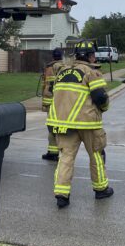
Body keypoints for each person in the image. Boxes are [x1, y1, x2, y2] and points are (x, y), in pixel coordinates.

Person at [47, 40, 113, 208]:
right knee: (96, 155)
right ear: (91, 56)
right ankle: (101, 189)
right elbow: (100, 98)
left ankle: (62, 195)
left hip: (64, 124)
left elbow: (52, 91)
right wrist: (104, 108)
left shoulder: (62, 71)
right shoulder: (91, 72)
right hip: (88, 123)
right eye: (93, 55)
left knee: (66, 158)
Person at [41, 47, 68, 161]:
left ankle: (53, 152)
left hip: (50, 102)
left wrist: (44, 103)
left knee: (52, 128)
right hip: (62, 102)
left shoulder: (48, 68)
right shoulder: (66, 68)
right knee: (61, 127)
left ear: (53, 56)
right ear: (61, 57)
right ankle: (62, 150)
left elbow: (45, 85)